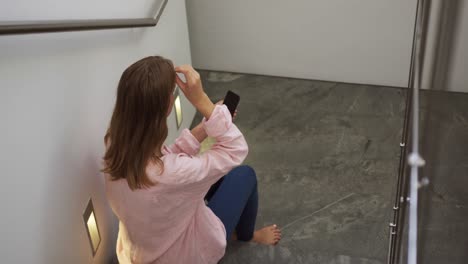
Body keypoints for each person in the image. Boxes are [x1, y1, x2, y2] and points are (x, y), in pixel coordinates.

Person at [102, 56, 281, 264]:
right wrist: (202, 101)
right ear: (167, 104)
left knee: (220, 178)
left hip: (141, 251)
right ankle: (247, 236)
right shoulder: (174, 174)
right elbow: (236, 149)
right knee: (244, 175)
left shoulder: (116, 148)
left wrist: (208, 124)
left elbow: (165, 160)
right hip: (187, 256)